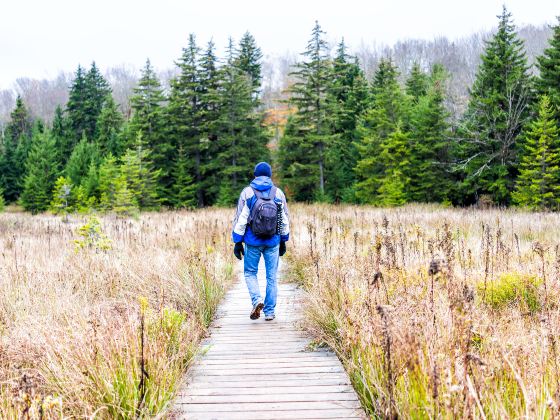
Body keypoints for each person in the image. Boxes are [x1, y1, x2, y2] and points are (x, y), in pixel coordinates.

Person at [232, 162, 290, 321]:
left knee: (250, 273)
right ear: (270, 175)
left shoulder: (248, 192)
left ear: (255, 174)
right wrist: (284, 240)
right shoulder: (278, 193)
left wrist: (237, 241)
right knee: (272, 277)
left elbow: (241, 219)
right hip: (273, 242)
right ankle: (270, 312)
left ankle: (257, 300)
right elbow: (284, 219)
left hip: (252, 241)